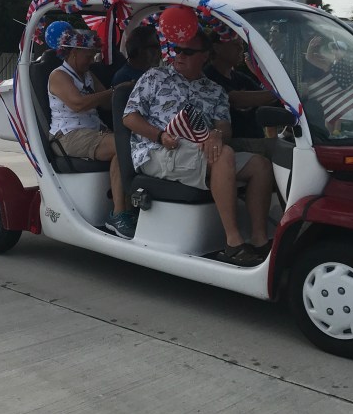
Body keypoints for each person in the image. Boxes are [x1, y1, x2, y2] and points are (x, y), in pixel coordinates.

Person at [122, 29, 274, 266]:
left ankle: (259, 239)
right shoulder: (155, 77)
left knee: (260, 165)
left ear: (205, 55)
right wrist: (160, 135)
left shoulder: (215, 90)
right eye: (177, 50)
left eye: (188, 51)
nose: (179, 55)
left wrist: (216, 135)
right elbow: (129, 117)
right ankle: (233, 243)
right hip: (158, 150)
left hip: (198, 150)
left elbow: (225, 128)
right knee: (224, 156)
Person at [48, 27, 135, 238]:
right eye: (88, 55)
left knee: (134, 141)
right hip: (67, 135)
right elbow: (78, 104)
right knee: (121, 146)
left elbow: (106, 103)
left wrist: (123, 93)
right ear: (73, 52)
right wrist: (113, 91)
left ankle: (129, 208)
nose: (91, 59)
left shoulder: (87, 75)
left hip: (91, 130)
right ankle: (118, 213)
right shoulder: (59, 76)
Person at [204, 33, 277, 153]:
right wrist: (280, 94)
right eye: (236, 45)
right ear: (216, 48)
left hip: (255, 140)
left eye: (242, 45)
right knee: (284, 151)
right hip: (232, 144)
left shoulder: (240, 77)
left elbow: (266, 98)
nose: (241, 49)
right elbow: (236, 99)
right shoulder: (208, 77)